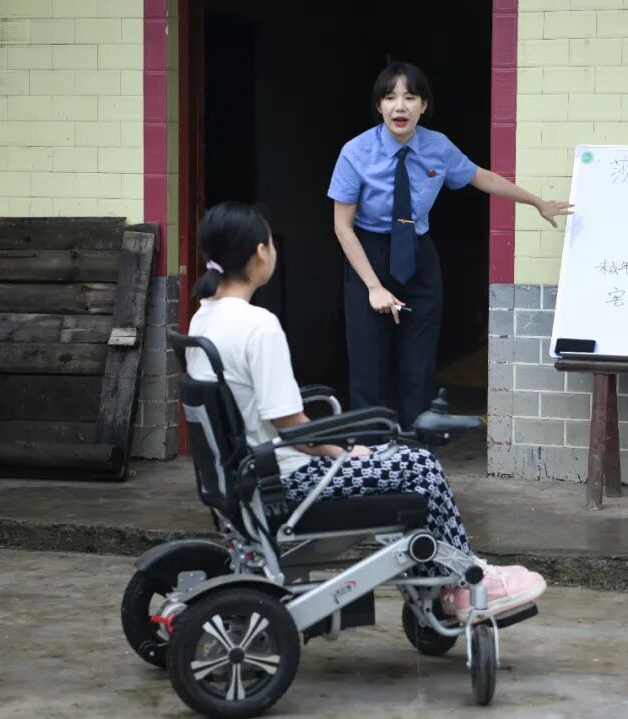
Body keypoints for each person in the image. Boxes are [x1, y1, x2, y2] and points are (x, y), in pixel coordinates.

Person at [186, 202, 546, 621]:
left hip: (245, 475)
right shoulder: (257, 325)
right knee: (420, 464)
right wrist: (342, 451)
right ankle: (464, 580)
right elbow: (288, 422)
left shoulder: (203, 319)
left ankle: (442, 578)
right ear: (261, 253)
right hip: (286, 479)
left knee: (396, 461)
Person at [329, 61, 572, 429]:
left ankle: (419, 444)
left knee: (419, 361)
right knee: (369, 361)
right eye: (390, 98)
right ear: (379, 105)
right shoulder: (356, 152)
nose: (400, 107)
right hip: (369, 255)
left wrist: (536, 202)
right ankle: (370, 447)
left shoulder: (437, 147)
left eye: (410, 97)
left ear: (424, 105)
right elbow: (342, 227)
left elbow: (482, 177)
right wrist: (374, 287)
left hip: (418, 254)